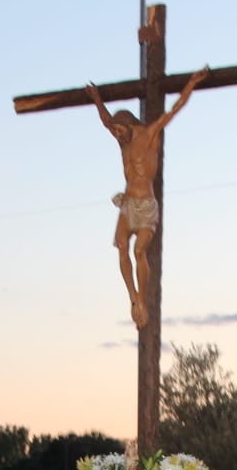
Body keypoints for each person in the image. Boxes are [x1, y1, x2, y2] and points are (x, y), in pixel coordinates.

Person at [87, 68, 209, 329]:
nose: (118, 135)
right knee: (121, 245)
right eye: (116, 132)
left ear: (130, 126)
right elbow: (106, 120)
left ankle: (142, 298)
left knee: (139, 250)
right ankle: (132, 297)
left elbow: (174, 110)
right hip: (128, 203)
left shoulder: (148, 134)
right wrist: (96, 97)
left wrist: (192, 83)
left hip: (145, 203)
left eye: (121, 131)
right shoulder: (122, 141)